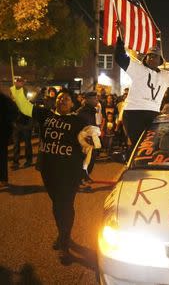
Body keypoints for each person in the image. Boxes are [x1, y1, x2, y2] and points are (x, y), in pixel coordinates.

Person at [10, 85, 99, 264]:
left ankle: (65, 243)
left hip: (69, 171)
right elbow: (25, 107)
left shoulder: (79, 121)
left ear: (73, 103)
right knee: (58, 204)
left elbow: (94, 142)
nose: (62, 100)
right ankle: (63, 234)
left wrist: (90, 144)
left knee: (64, 204)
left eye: (66, 98)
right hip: (49, 170)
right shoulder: (46, 115)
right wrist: (18, 90)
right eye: (59, 98)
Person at [114, 34, 169, 146]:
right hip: (133, 113)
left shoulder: (165, 76)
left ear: (160, 61)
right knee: (138, 146)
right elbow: (120, 58)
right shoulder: (138, 68)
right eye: (149, 56)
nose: (151, 58)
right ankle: (134, 162)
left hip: (153, 114)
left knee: (151, 145)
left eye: (155, 56)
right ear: (145, 58)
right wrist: (121, 40)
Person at [10, 77, 33, 170]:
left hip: (26, 123)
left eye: (20, 82)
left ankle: (28, 160)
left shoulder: (25, 94)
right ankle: (15, 161)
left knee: (27, 143)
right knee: (16, 144)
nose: (17, 84)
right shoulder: (13, 100)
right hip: (16, 124)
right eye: (16, 82)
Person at [0, 92, 18, 187]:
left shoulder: (4, 99)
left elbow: (14, 112)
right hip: (4, 131)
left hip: (2, 133)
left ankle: (3, 179)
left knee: (2, 157)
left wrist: (7, 123)